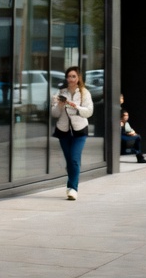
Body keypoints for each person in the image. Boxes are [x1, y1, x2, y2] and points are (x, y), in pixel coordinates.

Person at [51, 66, 94, 200]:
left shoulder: (84, 93)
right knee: (70, 160)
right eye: (69, 76)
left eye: (73, 76)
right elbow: (54, 114)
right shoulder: (60, 92)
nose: (71, 79)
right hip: (64, 130)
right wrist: (59, 105)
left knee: (74, 159)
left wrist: (76, 107)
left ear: (78, 78)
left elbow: (89, 112)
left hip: (79, 130)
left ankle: (73, 188)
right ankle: (71, 186)